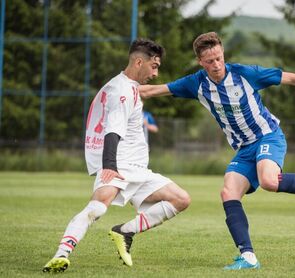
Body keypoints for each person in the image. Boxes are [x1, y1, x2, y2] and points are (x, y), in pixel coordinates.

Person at [139, 32, 295, 270]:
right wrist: (121, 86)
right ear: (200, 62)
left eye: (218, 58)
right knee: (228, 192)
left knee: (268, 180)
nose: (216, 65)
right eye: (209, 61)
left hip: (268, 136)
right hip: (244, 149)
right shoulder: (196, 83)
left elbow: (294, 79)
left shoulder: (245, 74)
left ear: (222, 53)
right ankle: (248, 257)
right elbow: (151, 91)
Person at [42, 39, 190, 273]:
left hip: (138, 169)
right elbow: (113, 130)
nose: (156, 72)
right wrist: (109, 165)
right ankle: (61, 254)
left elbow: (140, 102)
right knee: (98, 207)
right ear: (139, 61)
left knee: (181, 199)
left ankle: (125, 231)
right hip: (120, 164)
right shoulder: (123, 91)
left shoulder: (125, 86)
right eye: (154, 66)